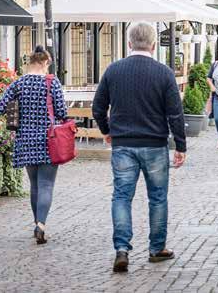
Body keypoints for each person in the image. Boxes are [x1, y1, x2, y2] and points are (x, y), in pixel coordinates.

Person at [92, 22, 187, 273]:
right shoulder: (164, 73)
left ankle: (122, 249)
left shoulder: (114, 70)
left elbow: (98, 108)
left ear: (129, 43)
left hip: (123, 144)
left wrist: (106, 130)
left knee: (122, 197)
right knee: (157, 198)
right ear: (154, 45)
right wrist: (180, 144)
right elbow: (175, 113)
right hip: (155, 144)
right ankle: (157, 248)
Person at [0, 46, 67, 245]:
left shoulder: (19, 83)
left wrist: (18, 109)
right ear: (45, 62)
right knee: (46, 184)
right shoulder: (51, 82)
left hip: (25, 140)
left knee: (35, 185)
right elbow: (61, 112)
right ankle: (41, 225)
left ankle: (36, 223)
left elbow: (0, 107)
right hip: (48, 140)